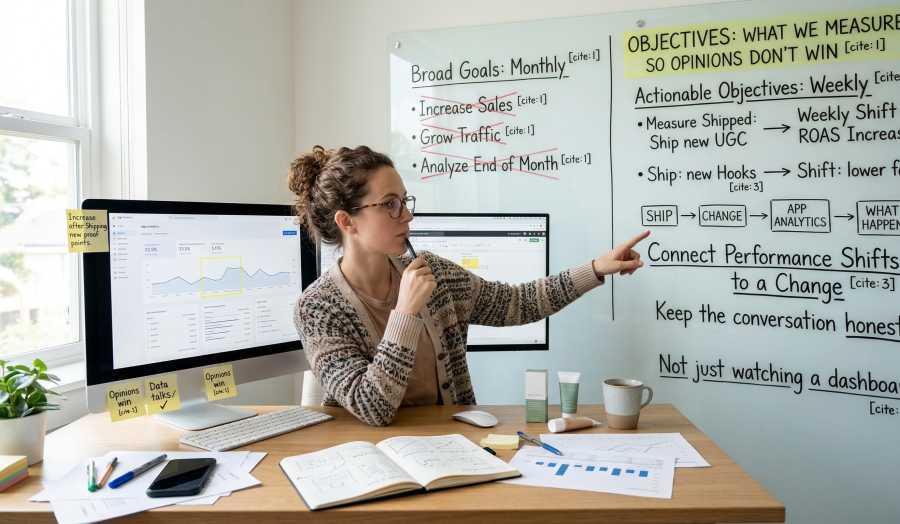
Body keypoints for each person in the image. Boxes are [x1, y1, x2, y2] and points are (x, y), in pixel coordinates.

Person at [289, 145, 649, 426]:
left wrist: (596, 269)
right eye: (391, 205)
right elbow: (372, 407)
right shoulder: (317, 309)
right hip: (372, 463)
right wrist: (405, 313)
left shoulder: (433, 274)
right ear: (347, 222)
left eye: (405, 201)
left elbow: (516, 302)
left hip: (453, 447)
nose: (408, 215)